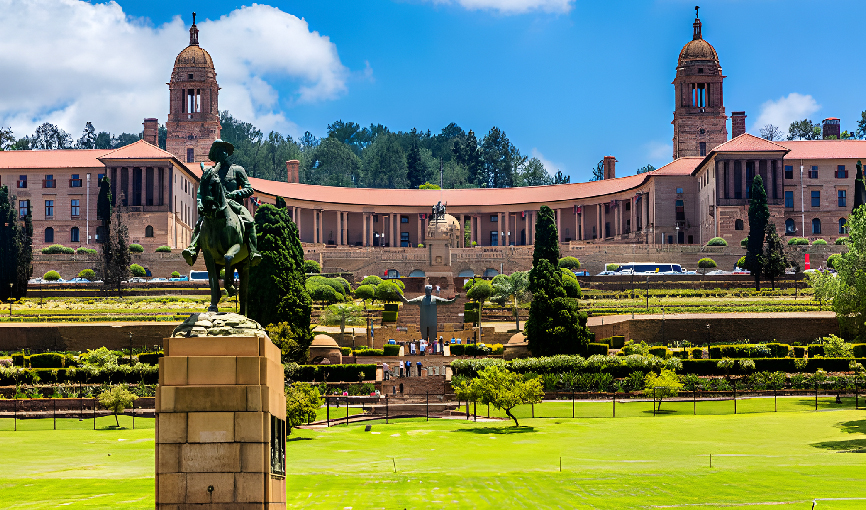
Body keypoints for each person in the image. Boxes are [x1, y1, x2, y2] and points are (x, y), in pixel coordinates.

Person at [182, 139, 262, 267]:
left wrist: (236, 193)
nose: (222, 152)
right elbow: (201, 191)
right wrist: (200, 204)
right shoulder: (210, 172)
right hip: (214, 206)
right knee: (200, 223)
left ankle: (253, 251)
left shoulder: (237, 170)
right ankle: (193, 249)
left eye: (224, 150)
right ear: (215, 155)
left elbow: (249, 189)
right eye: (219, 150)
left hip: (235, 205)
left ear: (227, 153)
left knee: (250, 221)